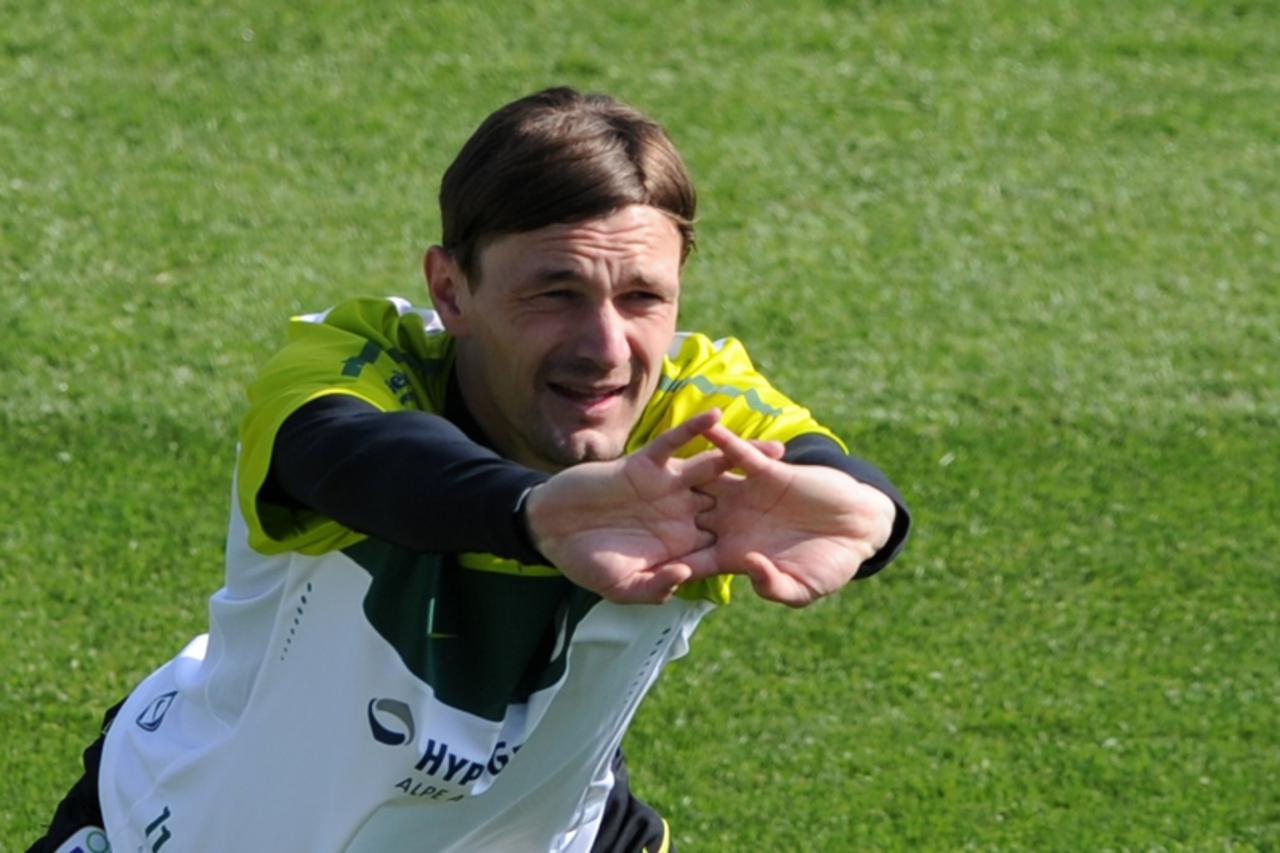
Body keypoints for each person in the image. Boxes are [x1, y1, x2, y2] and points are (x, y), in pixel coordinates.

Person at [30, 86, 910, 853]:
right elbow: (352, 456)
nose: (607, 349)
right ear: (451, 291)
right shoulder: (359, 366)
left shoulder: (697, 412)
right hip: (183, 827)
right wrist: (538, 511)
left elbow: (826, 473)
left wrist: (869, 516)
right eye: (554, 292)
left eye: (643, 297)